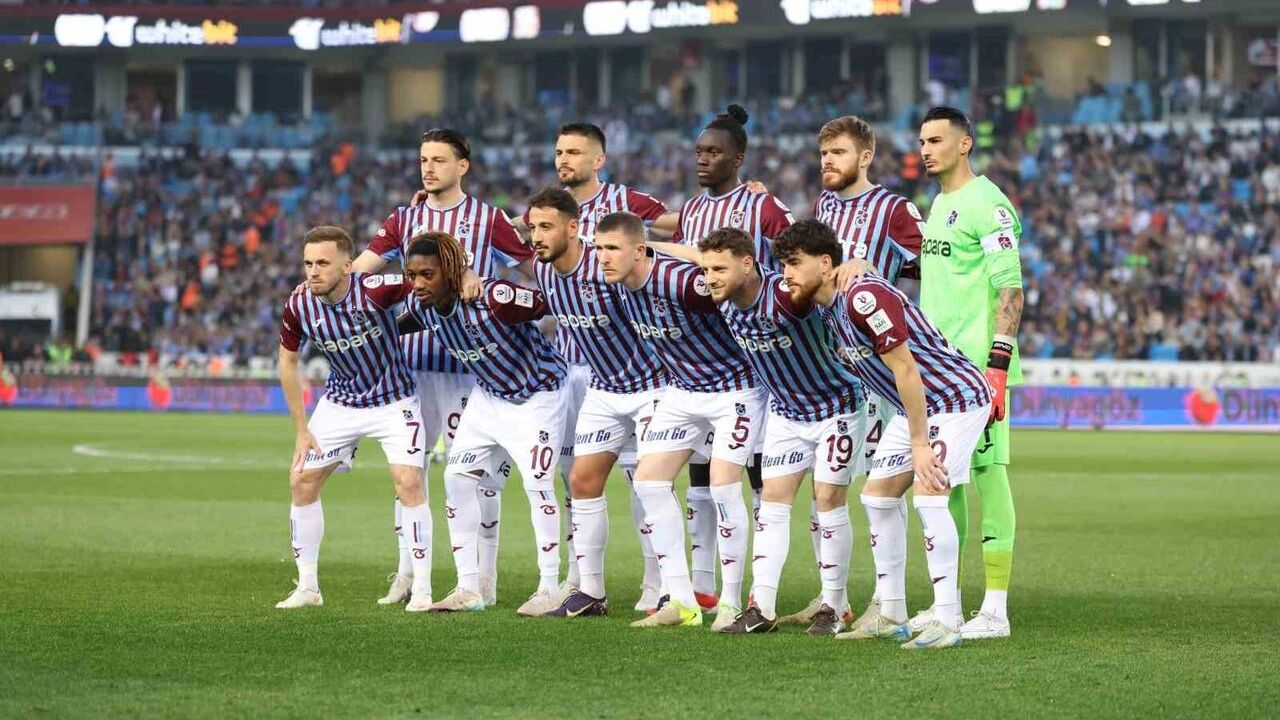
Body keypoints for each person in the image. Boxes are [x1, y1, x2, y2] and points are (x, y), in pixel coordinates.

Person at [775, 219, 992, 650]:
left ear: (825, 263)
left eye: (795, 263)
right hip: (917, 406)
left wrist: (919, 444)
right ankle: (891, 613)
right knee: (876, 497)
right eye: (784, 265)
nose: (787, 274)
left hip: (953, 398)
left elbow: (906, 369)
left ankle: (948, 619)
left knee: (929, 496)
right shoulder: (829, 304)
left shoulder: (862, 297)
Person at [356, 128, 534, 608]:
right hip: (412, 368)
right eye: (423, 160)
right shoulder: (404, 218)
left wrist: (488, 285)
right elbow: (360, 271)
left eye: (438, 159)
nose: (428, 168)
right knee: (408, 473)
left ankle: (482, 578)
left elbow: (535, 271)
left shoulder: (488, 219)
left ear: (462, 166)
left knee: (475, 478)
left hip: (469, 370)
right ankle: (406, 574)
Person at [778, 114, 925, 626]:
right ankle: (832, 598)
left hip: (876, 375)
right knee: (827, 491)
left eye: (838, 152)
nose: (827, 161)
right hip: (831, 368)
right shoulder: (824, 207)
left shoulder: (893, 209)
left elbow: (935, 264)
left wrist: (876, 270)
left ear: (865, 157)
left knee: (881, 489)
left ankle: (888, 600)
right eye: (823, 154)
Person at [649, 104, 795, 609]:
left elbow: (794, 253)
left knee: (753, 477)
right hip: (699, 360)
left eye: (713, 152)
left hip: (753, 363)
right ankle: (704, 585)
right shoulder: (690, 211)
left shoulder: (760, 205)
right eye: (699, 152)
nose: (702, 160)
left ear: (738, 159)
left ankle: (759, 587)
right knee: (700, 476)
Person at [520, 123, 668, 607]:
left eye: (545, 228)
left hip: (647, 384)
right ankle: (588, 589)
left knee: (646, 485)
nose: (535, 238)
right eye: (533, 229)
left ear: (574, 228)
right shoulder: (544, 269)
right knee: (580, 481)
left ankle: (659, 586)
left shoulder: (607, 263)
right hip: (598, 387)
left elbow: (670, 240)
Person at [594, 212, 765, 630]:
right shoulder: (615, 283)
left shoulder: (681, 282)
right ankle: (682, 601)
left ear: (639, 251)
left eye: (612, 248)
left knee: (724, 488)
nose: (602, 258)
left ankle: (730, 603)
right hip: (682, 391)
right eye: (599, 249)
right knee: (649, 483)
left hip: (735, 389)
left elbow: (733, 279)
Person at [695, 227, 865, 636]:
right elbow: (687, 258)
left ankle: (833, 606)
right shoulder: (725, 300)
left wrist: (861, 263)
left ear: (747, 264)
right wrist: (650, 244)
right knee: (772, 504)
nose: (710, 278)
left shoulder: (788, 295)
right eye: (706, 269)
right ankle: (762, 609)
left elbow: (829, 279)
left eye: (719, 269)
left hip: (836, 407)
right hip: (786, 414)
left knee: (828, 501)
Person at [399, 230, 570, 616]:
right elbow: (399, 325)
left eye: (427, 274)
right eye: (412, 275)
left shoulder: (495, 298)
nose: (418, 284)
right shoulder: (424, 307)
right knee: (456, 479)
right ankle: (469, 588)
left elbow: (550, 301)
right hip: (489, 397)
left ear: (450, 271)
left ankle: (549, 588)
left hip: (538, 395)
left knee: (537, 483)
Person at [274, 226, 432, 612]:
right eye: (308, 263)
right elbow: (287, 362)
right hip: (341, 403)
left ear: (348, 266)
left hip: (394, 400)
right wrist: (301, 430)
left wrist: (465, 273)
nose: (313, 272)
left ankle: (423, 589)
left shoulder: (376, 289)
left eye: (323, 263)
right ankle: (308, 587)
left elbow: (426, 281)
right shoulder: (299, 304)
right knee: (301, 480)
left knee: (408, 481)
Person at [917, 106, 1025, 640]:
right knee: (945, 483)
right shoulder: (938, 205)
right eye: (922, 141)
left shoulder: (989, 204)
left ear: (964, 144)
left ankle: (996, 611)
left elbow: (1011, 290)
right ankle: (950, 605)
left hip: (979, 372)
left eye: (936, 140)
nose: (925, 149)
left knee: (988, 475)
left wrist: (997, 369)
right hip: (938, 370)